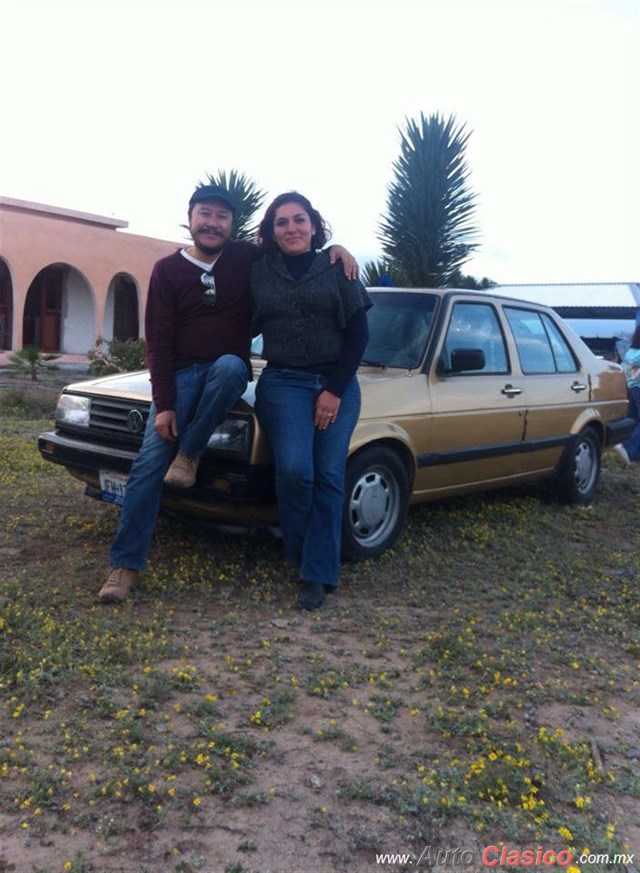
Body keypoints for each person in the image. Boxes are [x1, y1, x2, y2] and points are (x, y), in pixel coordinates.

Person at [99, 184, 358, 604]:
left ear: (233, 225)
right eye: (205, 214)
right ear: (190, 217)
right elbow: (158, 344)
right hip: (181, 376)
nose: (212, 223)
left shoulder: (245, 257)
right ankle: (124, 567)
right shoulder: (167, 270)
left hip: (228, 372)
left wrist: (339, 248)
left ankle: (192, 450)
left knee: (231, 366)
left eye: (221, 216)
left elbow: (297, 247)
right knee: (148, 466)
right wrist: (164, 405)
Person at [250, 192, 372, 611]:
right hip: (282, 382)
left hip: (337, 382)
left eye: (299, 220)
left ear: (315, 225)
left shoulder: (339, 268)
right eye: (281, 222)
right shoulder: (258, 272)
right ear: (271, 231)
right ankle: (304, 555)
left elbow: (359, 335)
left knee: (329, 476)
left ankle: (316, 574)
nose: (291, 228)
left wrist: (333, 391)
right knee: (296, 473)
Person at [614, 324, 640, 465]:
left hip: (630, 389)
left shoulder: (631, 352)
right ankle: (626, 449)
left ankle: (632, 454)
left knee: (633, 421)